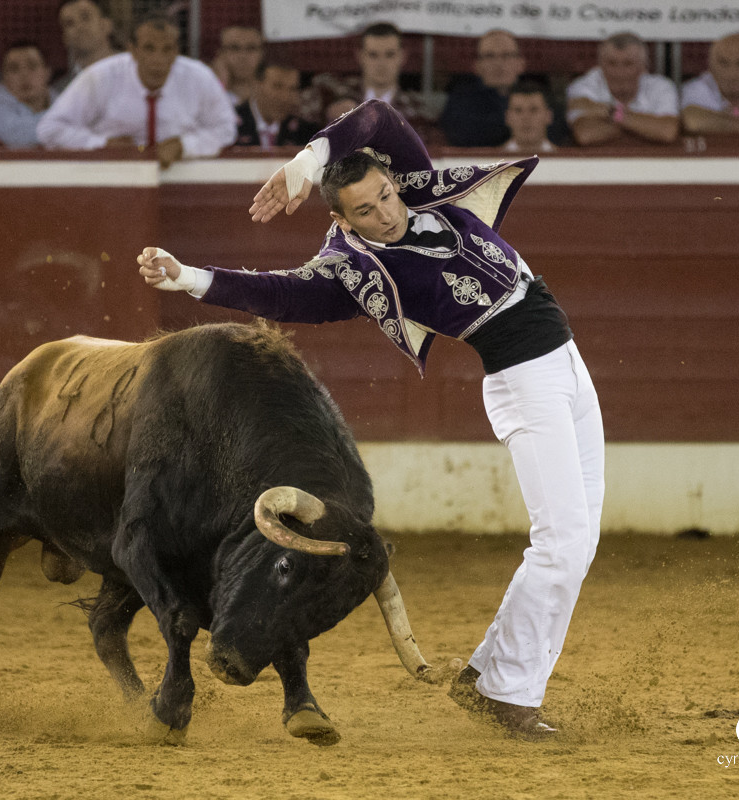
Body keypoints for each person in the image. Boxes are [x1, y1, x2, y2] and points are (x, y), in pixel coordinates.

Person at [137, 99, 604, 738]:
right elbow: (280, 293)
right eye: (365, 210)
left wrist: (308, 159)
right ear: (341, 219)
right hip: (525, 380)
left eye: (385, 196)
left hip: (567, 364)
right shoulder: (355, 269)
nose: (385, 213)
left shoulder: (412, 185)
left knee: (578, 543)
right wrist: (190, 277)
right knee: (562, 542)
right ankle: (507, 693)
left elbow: (378, 116)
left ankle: (491, 674)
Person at [37, 13, 236, 168]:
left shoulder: (199, 77)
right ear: (132, 49)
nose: (158, 59)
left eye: (167, 49)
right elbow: (49, 130)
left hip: (182, 182)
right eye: (149, 48)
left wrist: (185, 146)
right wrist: (101, 144)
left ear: (177, 51)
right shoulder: (101, 77)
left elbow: (226, 129)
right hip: (111, 180)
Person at [301, 22, 433, 134]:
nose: (382, 64)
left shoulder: (418, 111)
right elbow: (297, 112)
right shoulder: (332, 91)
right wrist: (327, 113)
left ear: (402, 56)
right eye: (373, 55)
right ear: (360, 56)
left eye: (390, 55)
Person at [567, 32, 678, 146]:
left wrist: (613, 114)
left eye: (628, 64)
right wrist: (644, 126)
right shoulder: (583, 86)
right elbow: (585, 135)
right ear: (600, 65)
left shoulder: (661, 86)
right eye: (612, 63)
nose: (619, 72)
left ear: (643, 67)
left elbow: (667, 132)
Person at [439, 29, 527, 147]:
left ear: (521, 64)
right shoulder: (461, 101)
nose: (498, 63)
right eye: (489, 56)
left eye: (507, 55)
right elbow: (462, 137)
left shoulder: (537, 95)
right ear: (477, 66)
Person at [0, 41, 53, 148]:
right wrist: (62, 124)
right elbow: (18, 137)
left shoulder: (63, 99)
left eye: (32, 66)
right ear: (4, 78)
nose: (24, 75)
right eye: (14, 69)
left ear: (47, 72)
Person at [234, 60, 319, 149]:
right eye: (277, 86)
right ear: (256, 86)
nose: (285, 97)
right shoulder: (229, 124)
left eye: (292, 89)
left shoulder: (306, 133)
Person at [53, 0, 117, 93]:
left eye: (85, 17)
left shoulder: (137, 73)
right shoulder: (60, 92)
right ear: (64, 38)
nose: (79, 27)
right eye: (69, 23)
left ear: (106, 25)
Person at [211, 24, 265, 106]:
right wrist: (221, 84)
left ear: (261, 54)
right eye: (234, 48)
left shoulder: (271, 95)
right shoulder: (207, 92)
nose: (243, 56)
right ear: (220, 53)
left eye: (251, 48)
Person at [503, 82, 556, 153]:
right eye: (518, 110)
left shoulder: (566, 160)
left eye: (533, 110)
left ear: (548, 116)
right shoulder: (491, 161)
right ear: (508, 117)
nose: (526, 118)